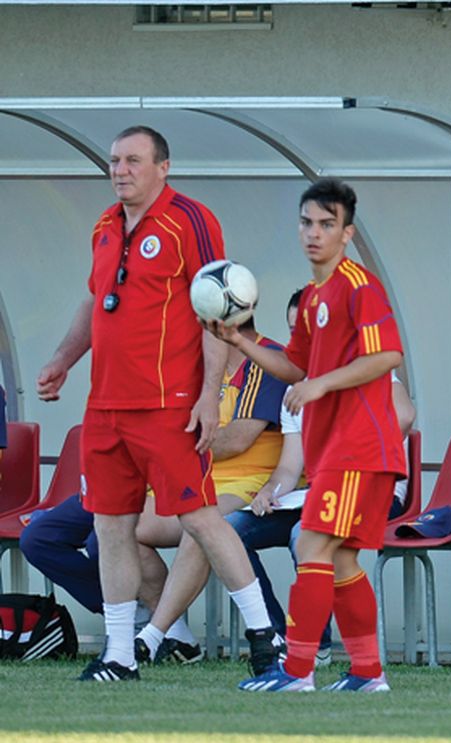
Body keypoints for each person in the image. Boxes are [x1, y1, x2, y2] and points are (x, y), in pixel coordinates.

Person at [35, 125, 277, 682]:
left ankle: (265, 640)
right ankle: (119, 653)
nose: (120, 170)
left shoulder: (190, 219)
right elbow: (97, 301)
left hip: (168, 405)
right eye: (115, 160)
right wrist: (62, 360)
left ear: (162, 168)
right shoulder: (103, 225)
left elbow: (218, 313)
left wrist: (210, 399)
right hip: (105, 409)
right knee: (110, 526)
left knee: (202, 519)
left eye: (133, 161)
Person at [208, 177, 406, 693]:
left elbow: (386, 356)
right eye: (307, 222)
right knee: (339, 559)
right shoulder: (317, 293)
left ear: (347, 233)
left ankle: (296, 671)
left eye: (326, 224)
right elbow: (293, 366)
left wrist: (322, 384)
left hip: (361, 447)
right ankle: (368, 672)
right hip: (338, 450)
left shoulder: (358, 286)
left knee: (314, 546)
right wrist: (238, 340)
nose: (314, 233)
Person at [224, 289, 415, 665]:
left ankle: (315, 646)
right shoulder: (298, 387)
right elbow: (289, 467)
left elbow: (404, 417)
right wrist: (269, 492)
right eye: (296, 332)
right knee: (229, 529)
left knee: (305, 533)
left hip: (372, 491)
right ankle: (277, 633)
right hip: (315, 496)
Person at [130, 311, 291, 664]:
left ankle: (151, 635)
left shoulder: (267, 359)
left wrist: (172, 448)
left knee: (201, 524)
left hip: (250, 481)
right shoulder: (195, 365)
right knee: (123, 527)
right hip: (195, 476)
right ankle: (178, 638)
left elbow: (238, 439)